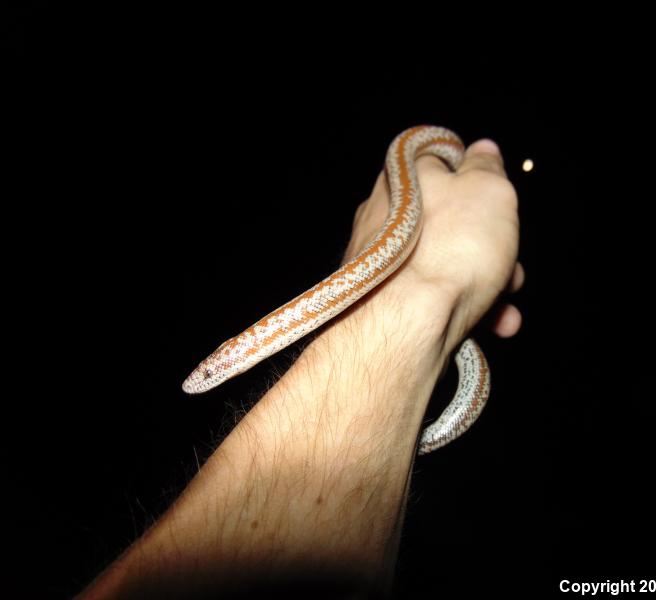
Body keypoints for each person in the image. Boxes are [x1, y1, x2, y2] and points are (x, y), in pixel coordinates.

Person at [78, 138, 524, 599]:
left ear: (234, 354)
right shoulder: (266, 333)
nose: (203, 380)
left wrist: (429, 282)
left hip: (416, 161)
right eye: (211, 373)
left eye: (211, 372)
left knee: (408, 152)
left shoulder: (259, 337)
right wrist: (433, 286)